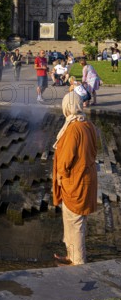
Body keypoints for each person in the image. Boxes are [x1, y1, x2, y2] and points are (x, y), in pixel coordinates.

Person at [53, 92, 98, 265]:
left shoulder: (73, 128)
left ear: (68, 107)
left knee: (75, 223)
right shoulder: (88, 124)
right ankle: (71, 255)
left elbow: (66, 159)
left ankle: (78, 263)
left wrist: (60, 175)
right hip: (87, 179)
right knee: (75, 221)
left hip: (76, 182)